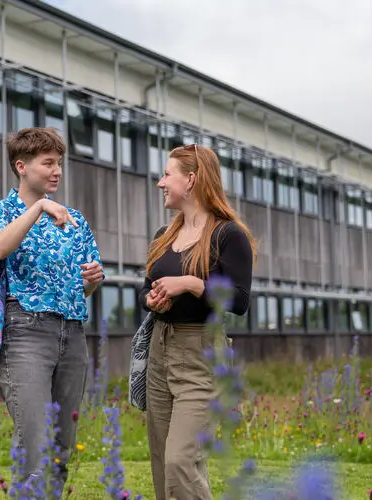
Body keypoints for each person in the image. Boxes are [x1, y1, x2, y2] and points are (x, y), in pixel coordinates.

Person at [0, 127, 104, 490]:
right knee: (35, 447)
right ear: (21, 166)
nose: (56, 171)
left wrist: (92, 280)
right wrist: (38, 209)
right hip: (25, 335)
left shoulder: (73, 220)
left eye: (59, 163)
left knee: (61, 449)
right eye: (48, 163)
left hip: (72, 333)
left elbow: (85, 286)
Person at [140, 144, 256, 500]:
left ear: (190, 179)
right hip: (160, 350)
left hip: (201, 355)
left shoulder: (228, 234)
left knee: (181, 460)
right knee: (162, 462)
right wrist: (153, 300)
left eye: (167, 174)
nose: (160, 182)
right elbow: (147, 287)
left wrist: (190, 284)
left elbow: (239, 299)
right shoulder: (164, 234)